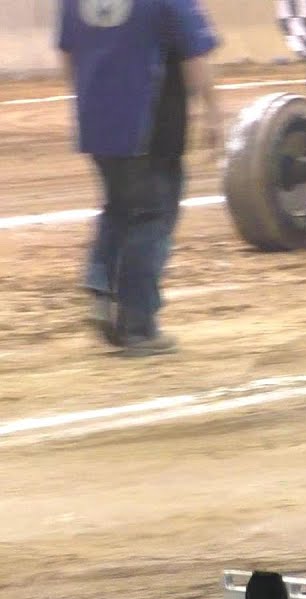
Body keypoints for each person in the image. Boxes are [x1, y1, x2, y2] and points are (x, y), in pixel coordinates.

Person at [57, 0, 223, 356]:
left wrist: (89, 100)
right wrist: (213, 116)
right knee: (152, 215)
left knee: (118, 205)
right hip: (150, 128)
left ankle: (101, 287)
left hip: (97, 121)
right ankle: (137, 325)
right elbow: (195, 56)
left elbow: (68, 52)